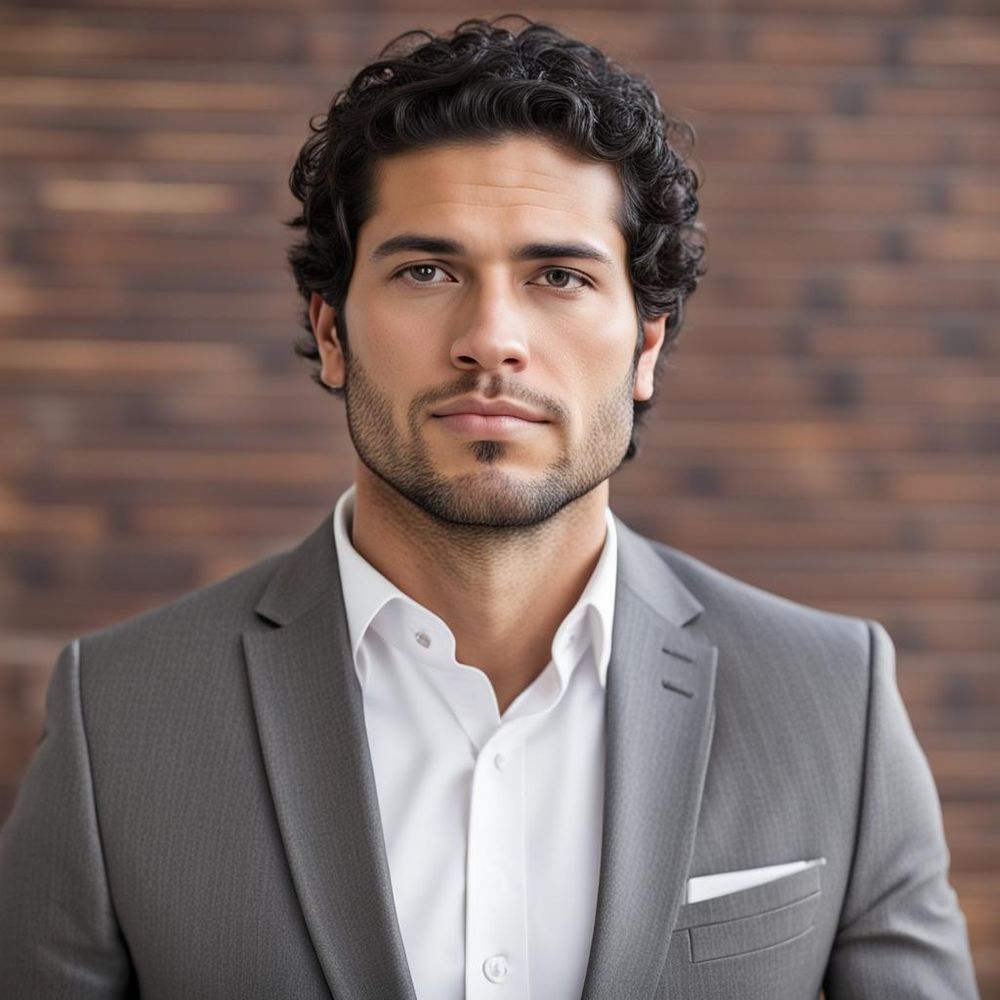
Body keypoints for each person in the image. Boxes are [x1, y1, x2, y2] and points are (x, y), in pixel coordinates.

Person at [0, 17, 979, 1000]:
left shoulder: (830, 702)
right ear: (331, 331)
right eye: (427, 271)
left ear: (645, 346)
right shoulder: (118, 712)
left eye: (558, 275)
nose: (491, 338)